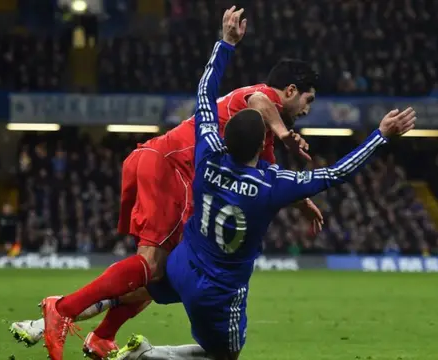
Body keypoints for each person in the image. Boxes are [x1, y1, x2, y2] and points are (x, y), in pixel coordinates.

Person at [108, 9, 415, 360]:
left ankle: (73, 308)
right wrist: (380, 136)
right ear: (262, 144)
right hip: (220, 291)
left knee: (147, 279)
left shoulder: (207, 157)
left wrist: (225, 43)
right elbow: (335, 173)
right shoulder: (272, 183)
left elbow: (205, 96)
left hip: (183, 267)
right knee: (226, 354)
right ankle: (145, 355)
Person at [34, 7, 323, 360]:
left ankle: (102, 336)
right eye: (308, 100)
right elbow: (262, 101)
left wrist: (302, 201)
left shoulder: (259, 134)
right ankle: (62, 310)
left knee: (163, 272)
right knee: (154, 266)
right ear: (291, 90)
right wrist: (284, 131)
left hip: (160, 162)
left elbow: (271, 173)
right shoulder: (263, 99)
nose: (308, 109)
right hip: (170, 166)